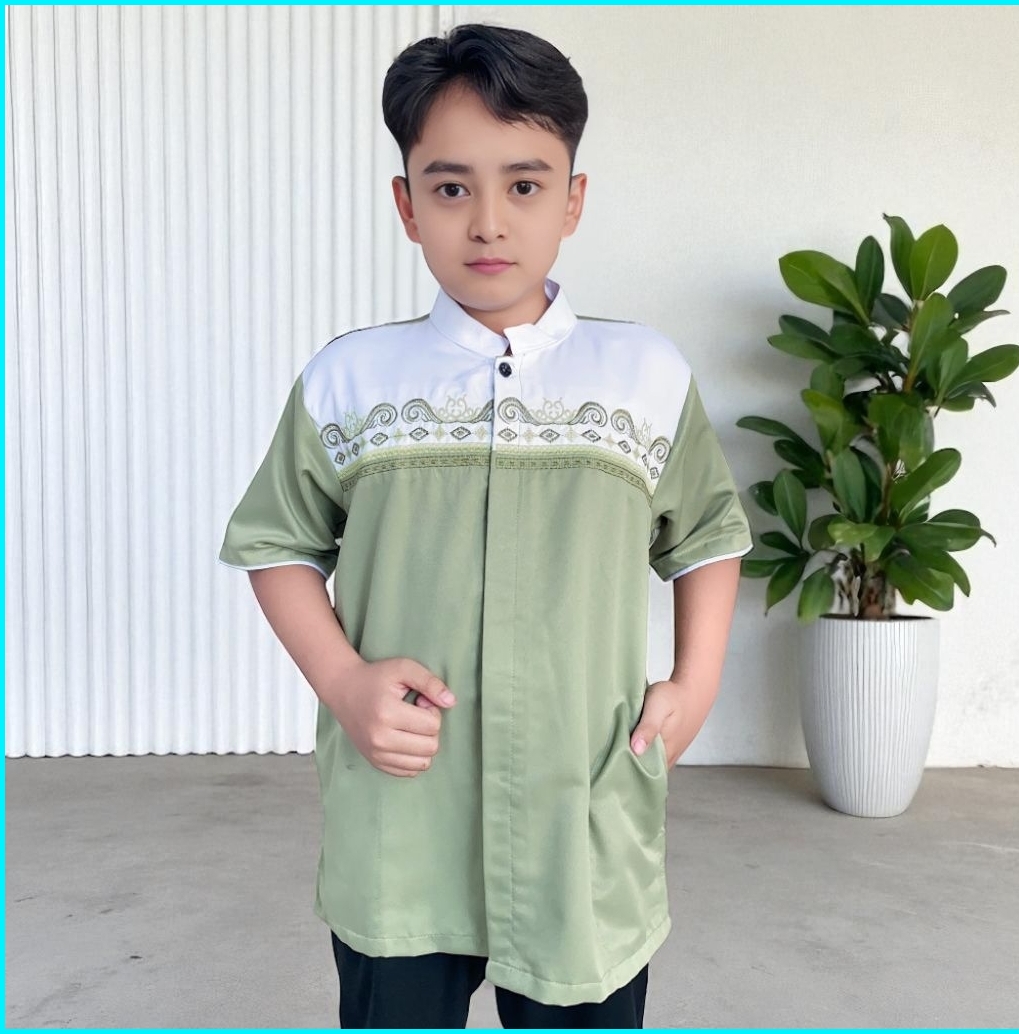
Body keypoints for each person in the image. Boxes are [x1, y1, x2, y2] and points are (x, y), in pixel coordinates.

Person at [219, 22, 752, 1030]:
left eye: (525, 184)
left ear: (572, 200)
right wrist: (343, 682)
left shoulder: (641, 376)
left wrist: (697, 684)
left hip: (578, 810)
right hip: (403, 816)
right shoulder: (352, 379)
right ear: (406, 205)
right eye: (452, 187)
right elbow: (276, 542)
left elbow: (707, 537)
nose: (489, 222)